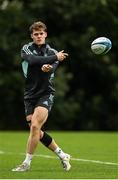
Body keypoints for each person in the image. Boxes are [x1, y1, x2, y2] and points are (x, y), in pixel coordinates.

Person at [12, 21, 71, 172]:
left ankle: (26, 163)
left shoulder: (52, 52)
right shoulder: (27, 48)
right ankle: (62, 155)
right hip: (30, 95)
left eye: (41, 33)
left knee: (35, 126)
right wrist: (53, 59)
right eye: (36, 34)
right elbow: (32, 60)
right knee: (36, 131)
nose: (39, 36)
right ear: (32, 36)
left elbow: (52, 68)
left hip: (46, 93)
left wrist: (49, 66)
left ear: (46, 34)